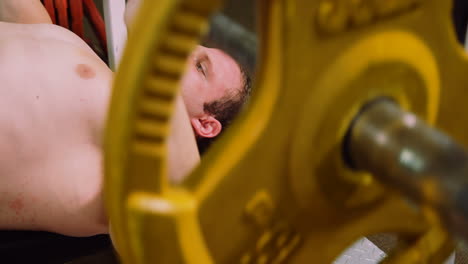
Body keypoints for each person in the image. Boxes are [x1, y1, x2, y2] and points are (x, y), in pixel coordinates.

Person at [0, 0, 253, 237]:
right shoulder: (81, 55)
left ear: (206, 124)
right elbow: (26, 20)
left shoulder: (139, 174)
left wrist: (148, 34)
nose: (183, 51)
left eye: (200, 67)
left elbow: (181, 212)